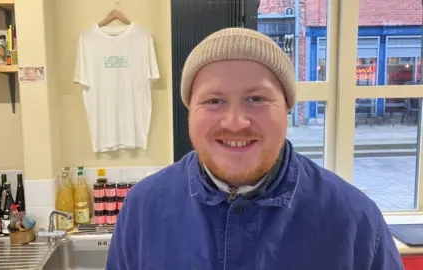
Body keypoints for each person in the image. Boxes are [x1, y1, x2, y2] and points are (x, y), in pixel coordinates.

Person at [106, 27, 403, 270]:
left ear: (286, 107)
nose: (235, 122)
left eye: (256, 99)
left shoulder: (355, 221)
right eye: (213, 101)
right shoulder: (143, 210)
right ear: (189, 111)